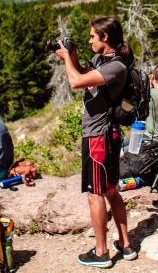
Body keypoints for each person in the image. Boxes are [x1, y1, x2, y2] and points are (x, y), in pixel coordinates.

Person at [54, 17, 137, 268]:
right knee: (111, 191)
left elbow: (76, 81)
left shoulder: (116, 67)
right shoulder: (104, 61)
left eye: (93, 36)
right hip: (103, 135)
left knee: (96, 193)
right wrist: (73, 55)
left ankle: (101, 253)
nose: (90, 40)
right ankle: (125, 244)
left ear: (105, 37)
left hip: (99, 136)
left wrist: (66, 59)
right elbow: (84, 74)